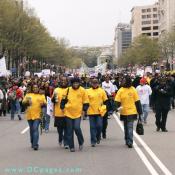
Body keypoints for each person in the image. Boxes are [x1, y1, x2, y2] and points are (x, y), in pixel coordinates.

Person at [115, 75, 142, 148]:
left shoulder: (133, 89)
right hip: (123, 112)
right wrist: (116, 107)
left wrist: (140, 112)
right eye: (122, 81)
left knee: (130, 127)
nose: (122, 82)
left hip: (132, 111)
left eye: (124, 81)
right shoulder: (121, 90)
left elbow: (137, 101)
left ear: (128, 81)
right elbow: (117, 101)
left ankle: (130, 141)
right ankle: (127, 139)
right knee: (126, 127)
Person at [63, 77, 89, 152]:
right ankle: (72, 146)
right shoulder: (67, 90)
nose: (75, 84)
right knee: (69, 130)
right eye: (74, 83)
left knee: (77, 128)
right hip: (68, 112)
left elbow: (86, 101)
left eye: (77, 83)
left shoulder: (83, 90)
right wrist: (62, 105)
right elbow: (63, 99)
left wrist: (84, 109)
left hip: (78, 113)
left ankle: (81, 141)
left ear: (79, 83)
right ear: (72, 83)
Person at [23, 84, 46, 150]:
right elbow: (23, 102)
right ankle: (32, 142)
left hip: (38, 115)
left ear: (38, 88)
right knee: (31, 129)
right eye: (34, 87)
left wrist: (43, 104)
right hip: (29, 115)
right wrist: (27, 102)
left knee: (35, 128)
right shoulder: (28, 95)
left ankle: (35, 144)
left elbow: (45, 103)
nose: (35, 88)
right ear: (32, 88)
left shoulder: (41, 95)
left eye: (36, 87)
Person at [86, 78, 108, 147]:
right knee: (92, 127)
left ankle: (98, 136)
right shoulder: (87, 91)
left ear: (98, 84)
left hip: (99, 112)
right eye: (93, 83)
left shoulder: (102, 91)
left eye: (96, 83)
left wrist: (105, 108)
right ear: (91, 83)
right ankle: (93, 141)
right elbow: (85, 101)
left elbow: (105, 101)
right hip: (91, 112)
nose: (95, 84)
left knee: (99, 126)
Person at [52, 76, 69, 149]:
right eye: (62, 80)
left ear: (67, 82)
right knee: (60, 129)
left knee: (66, 129)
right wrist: (54, 99)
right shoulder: (56, 90)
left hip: (68, 113)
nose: (63, 82)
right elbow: (54, 101)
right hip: (58, 113)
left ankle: (66, 143)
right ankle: (60, 137)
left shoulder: (69, 90)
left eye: (65, 80)